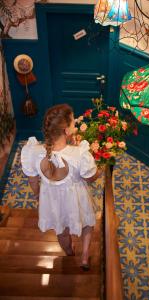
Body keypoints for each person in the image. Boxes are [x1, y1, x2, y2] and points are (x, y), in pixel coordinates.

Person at [21, 104, 103, 270]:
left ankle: (69, 252)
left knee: (61, 229)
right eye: (73, 123)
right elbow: (89, 178)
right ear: (66, 131)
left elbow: (32, 180)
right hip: (76, 199)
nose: (75, 125)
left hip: (51, 201)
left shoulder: (33, 151)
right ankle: (85, 256)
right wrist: (100, 170)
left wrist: (38, 196)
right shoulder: (79, 154)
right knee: (87, 222)